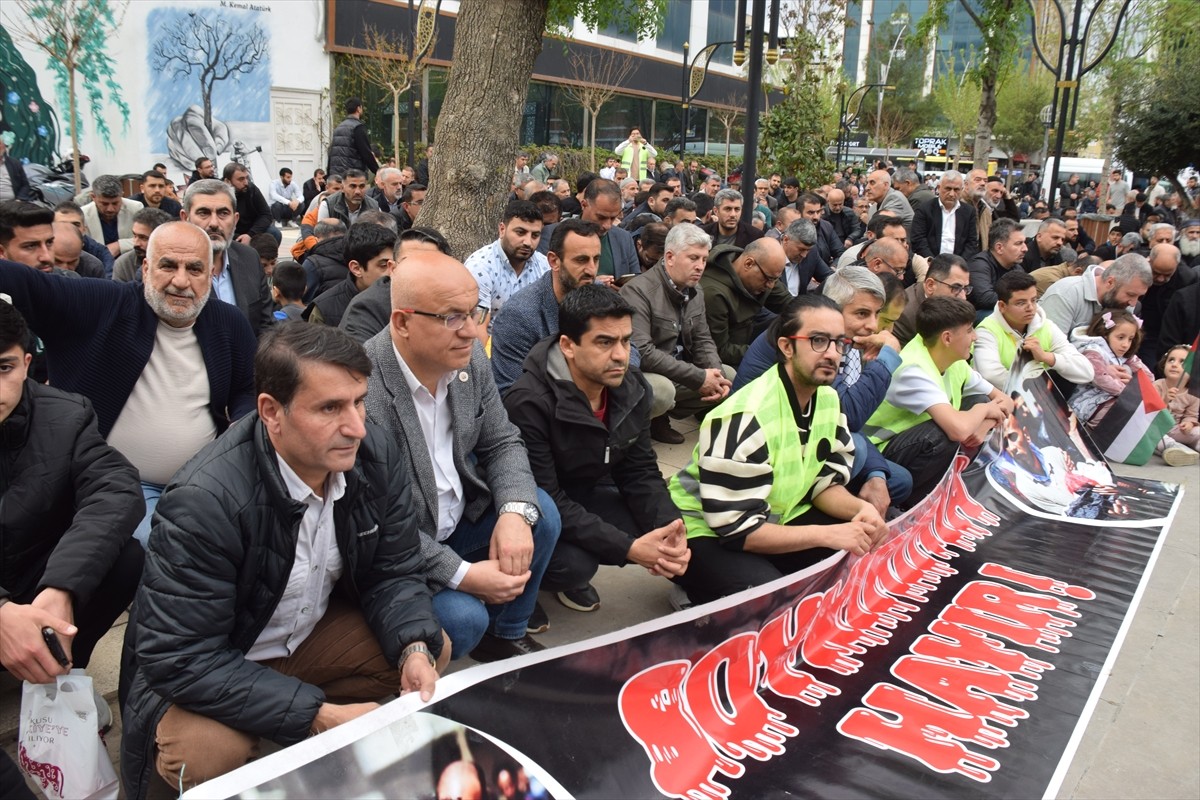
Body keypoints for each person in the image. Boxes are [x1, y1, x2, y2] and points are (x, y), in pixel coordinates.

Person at [121, 323, 445, 798]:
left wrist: (415, 647)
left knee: (430, 648)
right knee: (207, 752)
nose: (356, 426)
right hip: (217, 660)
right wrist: (319, 715)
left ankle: (293, 729)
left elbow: (393, 571)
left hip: (303, 639)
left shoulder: (374, 454)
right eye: (330, 408)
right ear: (271, 412)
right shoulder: (204, 501)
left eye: (359, 401)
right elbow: (182, 657)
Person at [0, 221, 257, 546]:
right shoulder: (100, 305)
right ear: (146, 268)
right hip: (115, 487)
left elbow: (246, 389)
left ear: (210, 275)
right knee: (170, 552)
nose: (181, 281)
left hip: (207, 482)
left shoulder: (228, 323)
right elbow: (27, 284)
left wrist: (241, 420)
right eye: (168, 265)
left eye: (194, 269)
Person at [363, 251, 560, 661]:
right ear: (402, 322)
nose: (472, 331)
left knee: (538, 512)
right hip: (399, 554)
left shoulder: (468, 361)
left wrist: (513, 513)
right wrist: (464, 575)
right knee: (464, 620)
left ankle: (507, 632)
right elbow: (375, 526)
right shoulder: (363, 392)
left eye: (476, 312)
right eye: (453, 317)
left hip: (458, 521)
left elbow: (503, 441)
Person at [667, 294, 889, 605]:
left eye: (839, 343)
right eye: (818, 340)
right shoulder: (747, 414)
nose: (832, 354)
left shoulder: (827, 398)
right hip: (705, 530)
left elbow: (823, 485)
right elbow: (738, 531)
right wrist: (826, 535)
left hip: (771, 517)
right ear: (786, 347)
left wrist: (860, 510)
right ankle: (697, 588)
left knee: (861, 547)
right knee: (771, 599)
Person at [503, 285, 690, 615]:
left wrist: (670, 529)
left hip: (586, 491)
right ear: (568, 346)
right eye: (605, 342)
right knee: (575, 565)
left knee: (655, 526)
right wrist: (629, 549)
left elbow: (640, 471)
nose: (620, 354)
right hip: (534, 510)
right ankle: (522, 589)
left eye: (625, 340)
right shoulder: (529, 402)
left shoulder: (632, 387)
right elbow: (545, 499)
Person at [0, 300, 144, 688]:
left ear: (27, 363)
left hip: (34, 584)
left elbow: (117, 489)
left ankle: (65, 668)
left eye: (4, 368)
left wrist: (62, 586)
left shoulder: (65, 415)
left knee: (128, 557)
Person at [863, 297, 1014, 505]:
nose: (975, 337)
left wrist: (984, 424)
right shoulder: (913, 369)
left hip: (907, 442)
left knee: (977, 400)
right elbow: (958, 430)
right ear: (947, 338)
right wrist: (982, 410)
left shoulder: (953, 360)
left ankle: (940, 489)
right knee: (941, 435)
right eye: (969, 330)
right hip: (878, 454)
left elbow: (1006, 401)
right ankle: (909, 505)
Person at [620, 223, 733, 444]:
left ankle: (664, 417)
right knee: (662, 390)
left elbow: (702, 339)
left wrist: (715, 373)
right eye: (693, 258)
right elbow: (642, 352)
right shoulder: (638, 291)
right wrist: (699, 377)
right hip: (646, 372)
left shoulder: (695, 291)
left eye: (703, 259)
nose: (700, 266)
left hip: (677, 367)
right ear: (670, 257)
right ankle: (646, 426)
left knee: (727, 376)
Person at [493, 219, 610, 395]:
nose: (592, 270)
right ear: (554, 261)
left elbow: (630, 349)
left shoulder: (600, 294)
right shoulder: (519, 315)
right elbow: (511, 392)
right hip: (547, 408)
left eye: (596, 259)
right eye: (582, 260)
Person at [181, 179, 275, 336]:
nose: (214, 223)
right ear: (185, 218)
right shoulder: (169, 268)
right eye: (203, 213)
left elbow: (266, 325)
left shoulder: (250, 258)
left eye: (223, 213)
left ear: (236, 219)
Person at [973, 270, 1093, 391]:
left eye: (1034, 300)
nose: (1030, 308)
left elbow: (1086, 372)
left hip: (1041, 400)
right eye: (1021, 303)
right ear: (1002, 306)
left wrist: (1046, 357)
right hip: (999, 401)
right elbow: (990, 375)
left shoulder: (1045, 325)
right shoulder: (987, 331)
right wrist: (1037, 392)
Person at [340, 227, 452, 344]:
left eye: (432, 264)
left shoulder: (458, 298)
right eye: (409, 263)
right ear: (392, 268)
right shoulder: (367, 307)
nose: (420, 271)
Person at [701, 237, 791, 367]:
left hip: (749, 339)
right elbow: (720, 350)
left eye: (775, 280)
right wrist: (767, 351)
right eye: (769, 279)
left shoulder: (763, 270)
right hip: (728, 360)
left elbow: (790, 305)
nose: (770, 286)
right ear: (748, 264)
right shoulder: (713, 294)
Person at [466, 200, 549, 332]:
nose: (528, 242)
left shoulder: (544, 266)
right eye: (520, 232)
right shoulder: (480, 267)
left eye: (535, 235)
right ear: (502, 229)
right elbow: (478, 327)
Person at [537, 178, 639, 280]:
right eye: (601, 217)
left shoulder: (624, 238)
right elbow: (544, 281)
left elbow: (635, 284)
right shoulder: (552, 234)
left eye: (613, 218)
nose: (607, 225)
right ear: (584, 205)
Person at [1068, 309, 1154, 431]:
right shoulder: (1093, 351)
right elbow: (1100, 378)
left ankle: (1167, 444)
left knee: (1141, 415)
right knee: (1128, 412)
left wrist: (1132, 381)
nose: (1125, 344)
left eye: (1130, 339)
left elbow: (1148, 377)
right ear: (1105, 334)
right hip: (1086, 405)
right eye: (1121, 337)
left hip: (1109, 402)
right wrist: (1129, 394)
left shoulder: (1123, 355)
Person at [307, 222, 396, 327]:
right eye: (384, 265)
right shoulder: (324, 310)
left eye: (396, 263)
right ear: (356, 268)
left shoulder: (405, 297)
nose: (393, 272)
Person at [1041, 253, 1152, 337]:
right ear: (1110, 282)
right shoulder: (1066, 292)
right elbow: (1050, 347)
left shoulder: (1123, 302)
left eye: (1139, 296)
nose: (1133, 303)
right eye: (1130, 294)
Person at [894, 253, 972, 346]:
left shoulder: (954, 305)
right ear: (930, 285)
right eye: (955, 287)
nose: (963, 297)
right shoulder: (903, 314)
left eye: (965, 288)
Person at [1137, 243, 1194, 367]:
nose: (1161, 279)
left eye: (1167, 275)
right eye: (1156, 273)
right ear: (1149, 261)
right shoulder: (1136, 268)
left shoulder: (1187, 279)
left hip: (1159, 333)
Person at [910, 171, 980, 259]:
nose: (951, 194)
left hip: (958, 265)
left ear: (962, 190)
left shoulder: (969, 212)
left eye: (956, 190)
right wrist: (933, 262)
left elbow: (972, 243)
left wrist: (959, 264)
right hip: (929, 263)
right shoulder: (925, 209)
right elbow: (918, 240)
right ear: (939, 188)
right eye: (948, 189)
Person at [967, 217, 1029, 313]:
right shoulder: (979, 264)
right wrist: (1019, 301)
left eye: (1024, 242)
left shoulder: (1017, 268)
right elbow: (985, 299)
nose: (1025, 248)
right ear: (999, 248)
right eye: (1018, 243)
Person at [1153, 345, 1200, 466]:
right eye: (1171, 360)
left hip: (1177, 429)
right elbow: (1150, 413)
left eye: (1182, 362)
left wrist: (1189, 423)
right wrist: (1165, 399)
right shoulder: (1157, 386)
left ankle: (1192, 449)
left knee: (1197, 432)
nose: (1174, 364)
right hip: (1156, 428)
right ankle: (1174, 449)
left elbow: (1192, 415)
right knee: (1153, 436)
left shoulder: (1193, 393)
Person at [82, 174, 143, 257]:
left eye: (115, 203)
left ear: (122, 195)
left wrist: (119, 246)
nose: (110, 209)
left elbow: (147, 237)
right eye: (104, 204)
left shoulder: (136, 208)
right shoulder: (83, 214)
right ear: (93, 197)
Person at [223, 162, 280, 245]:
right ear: (227, 181)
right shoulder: (219, 194)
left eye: (247, 178)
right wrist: (237, 237)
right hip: (230, 234)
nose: (246, 182)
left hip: (251, 230)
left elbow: (266, 214)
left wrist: (250, 234)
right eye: (241, 179)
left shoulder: (251, 189)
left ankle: (263, 258)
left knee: (274, 233)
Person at [112, 207, 174, 283]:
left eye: (143, 238)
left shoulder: (177, 261)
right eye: (135, 235)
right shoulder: (124, 264)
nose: (136, 243)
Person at [328, 97, 380, 177]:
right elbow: (366, 153)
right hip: (352, 176)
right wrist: (378, 172)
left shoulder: (338, 128)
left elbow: (332, 153)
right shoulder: (357, 127)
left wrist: (329, 174)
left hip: (336, 176)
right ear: (359, 109)